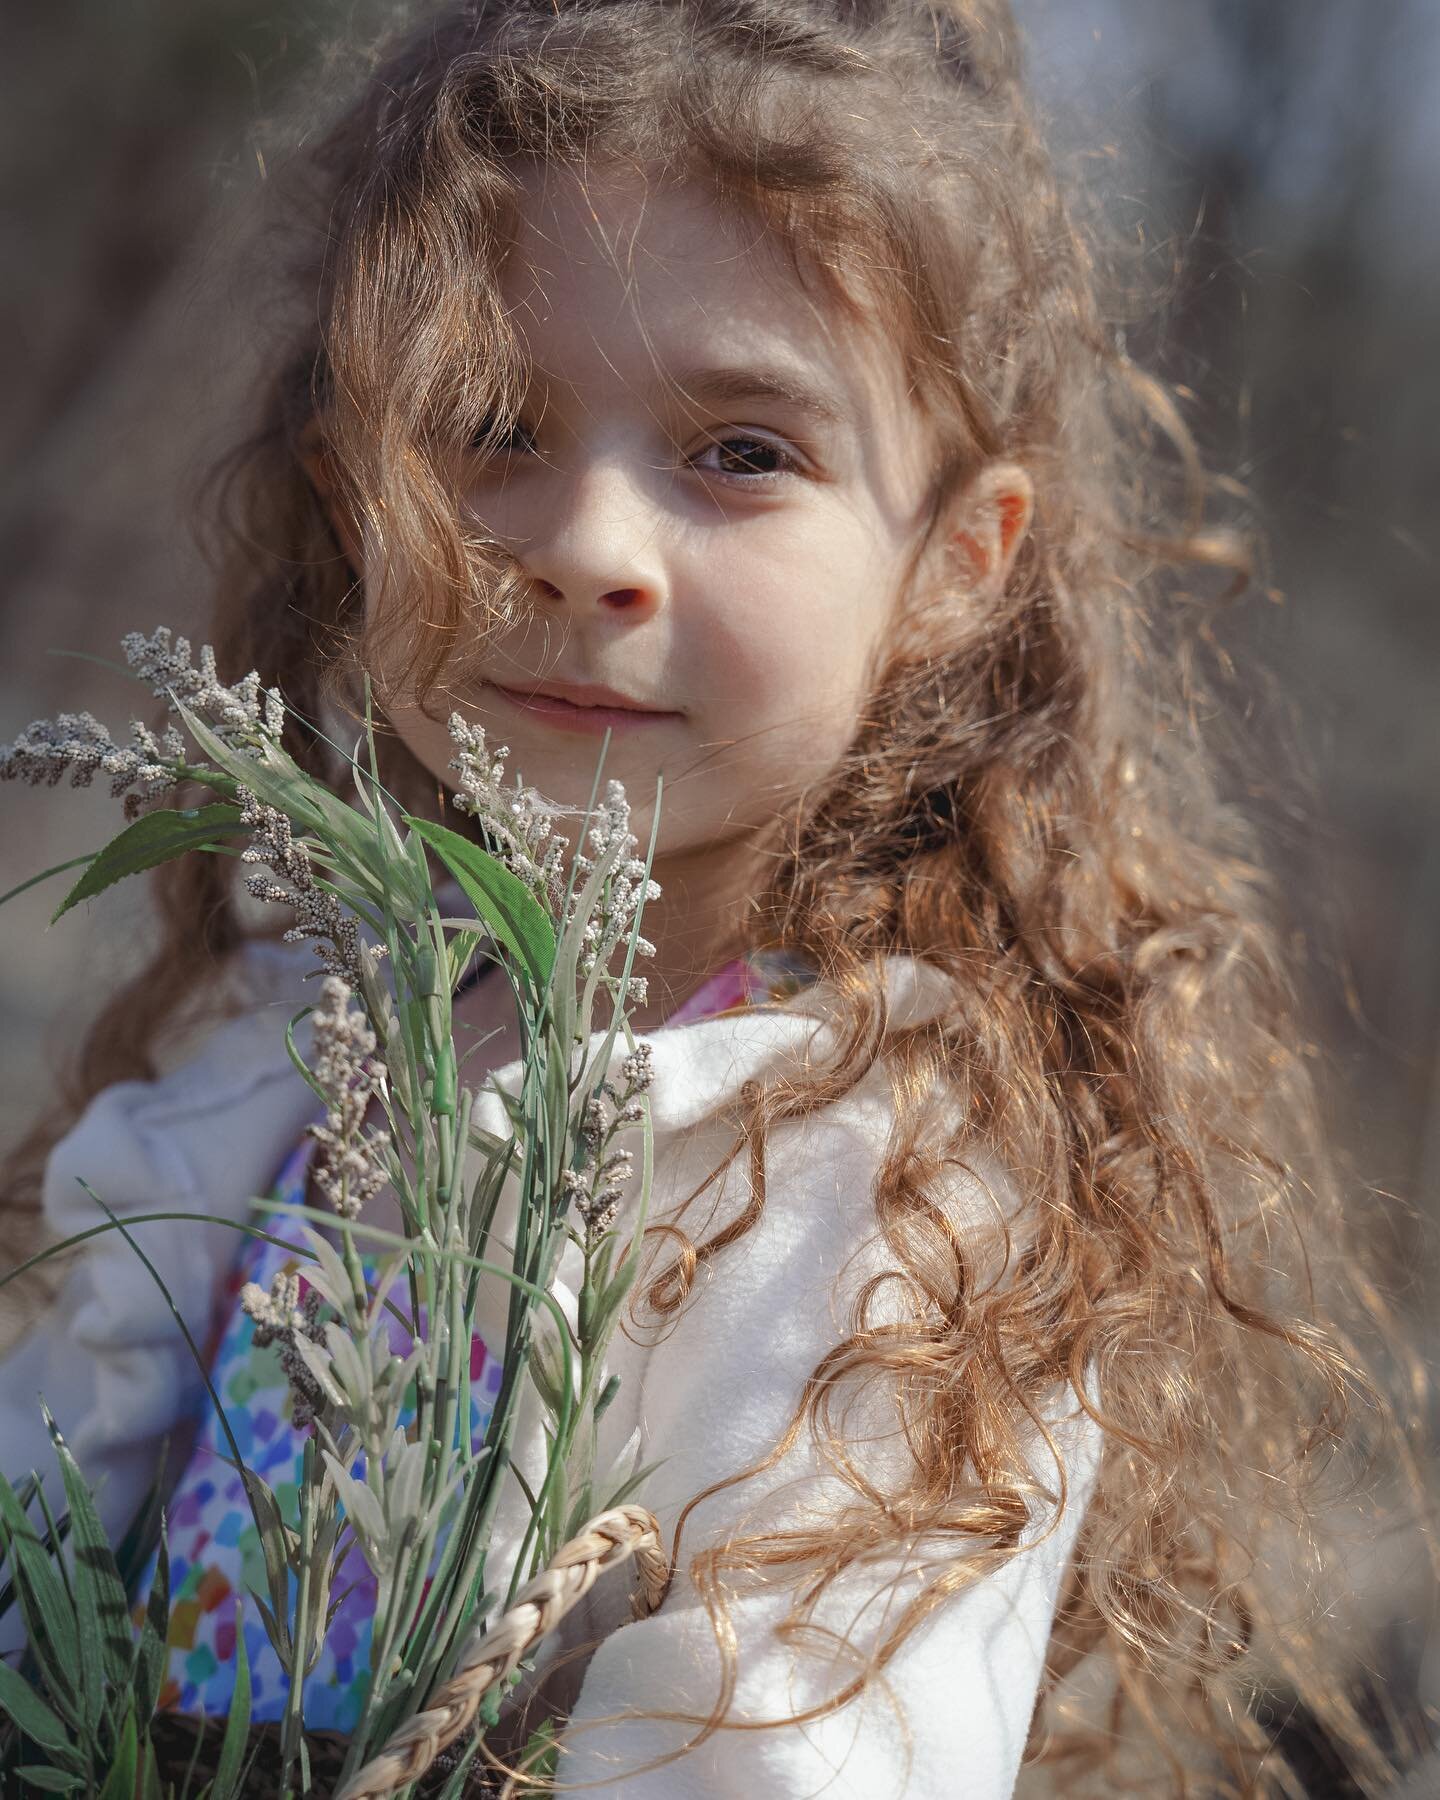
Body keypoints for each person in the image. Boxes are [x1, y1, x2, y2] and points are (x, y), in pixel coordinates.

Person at [0, 0, 1422, 1793]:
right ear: (352, 498)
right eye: (489, 422)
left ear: (955, 569)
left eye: (743, 450)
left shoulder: (889, 1191)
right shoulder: (285, 1031)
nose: (589, 549)